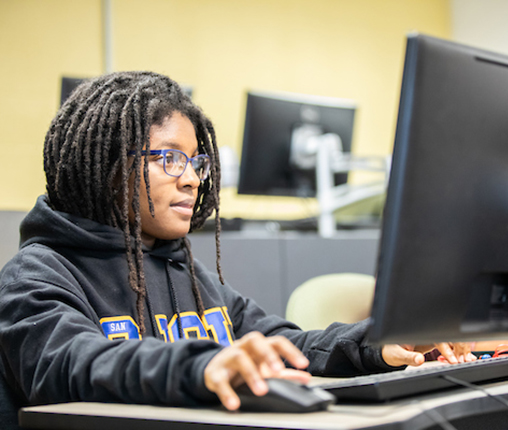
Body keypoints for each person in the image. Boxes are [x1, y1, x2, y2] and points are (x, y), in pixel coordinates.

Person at [0, 71, 474, 422]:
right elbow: (73, 366)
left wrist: (380, 344)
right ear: (107, 166)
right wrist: (200, 366)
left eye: (195, 162)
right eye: (169, 159)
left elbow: (281, 345)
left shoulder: (182, 271)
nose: (191, 179)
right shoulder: (37, 276)